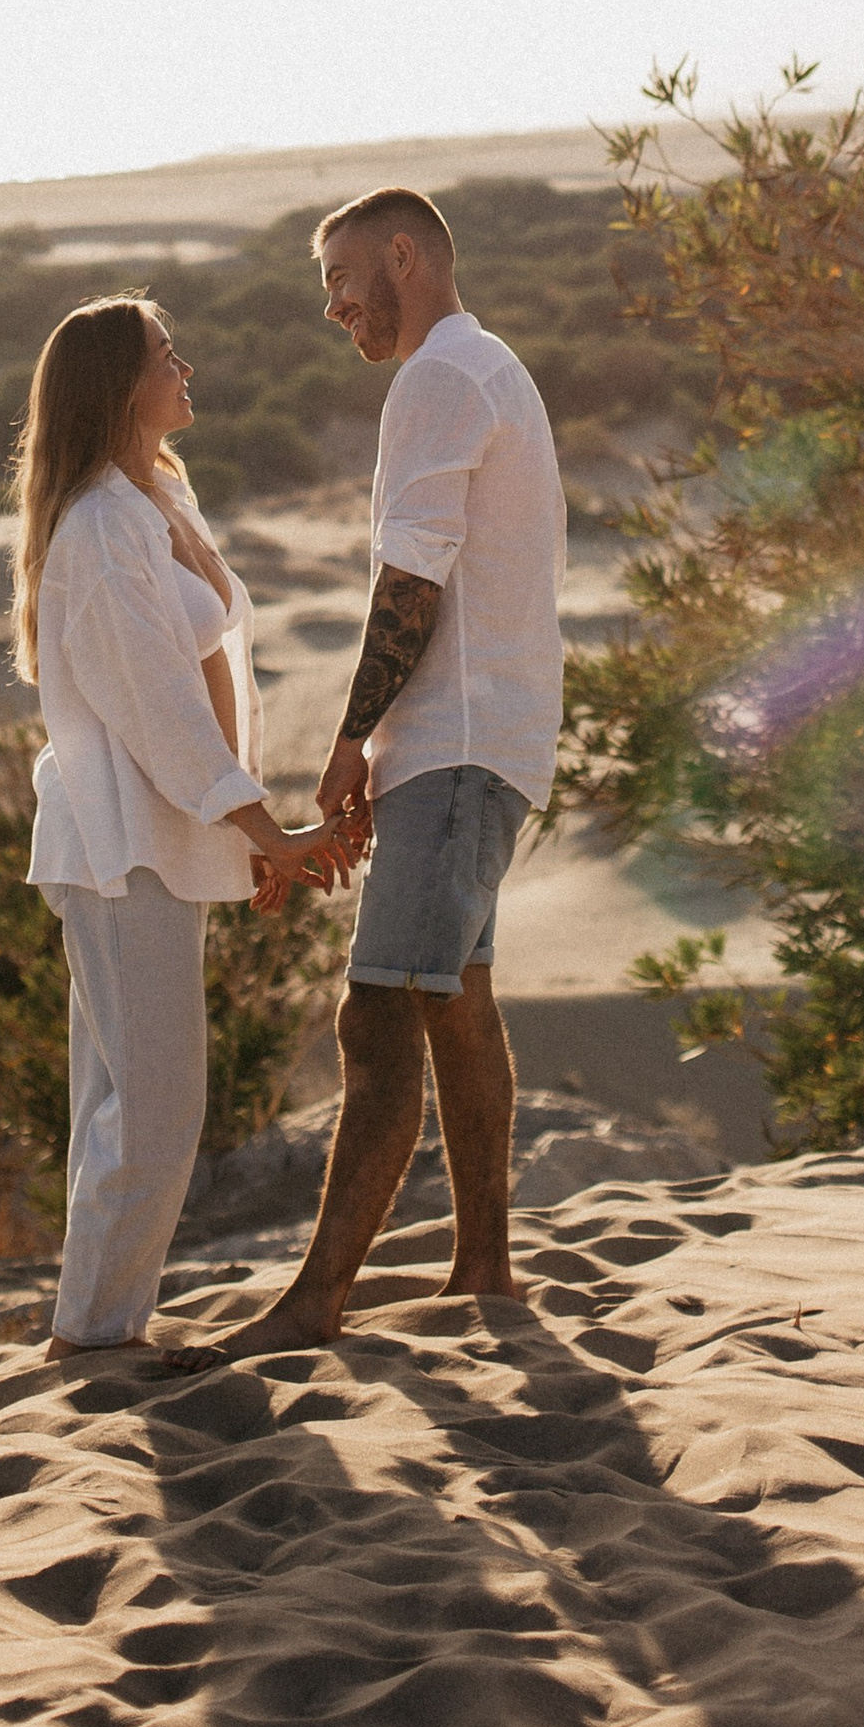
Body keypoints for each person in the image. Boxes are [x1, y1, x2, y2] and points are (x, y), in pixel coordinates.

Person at [200, 187, 565, 1358]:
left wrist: (353, 739)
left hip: (454, 743)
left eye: (343, 278)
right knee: (455, 1003)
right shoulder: (490, 366)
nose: (331, 307)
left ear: (403, 256)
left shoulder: (439, 380)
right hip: (487, 735)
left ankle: (315, 1301)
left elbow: (411, 585)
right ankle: (484, 1268)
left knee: (377, 1011)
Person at [15, 293, 348, 1356]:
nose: (187, 365)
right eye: (167, 355)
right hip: (120, 847)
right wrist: (262, 831)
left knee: (125, 1101)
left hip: (157, 843)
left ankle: (94, 1325)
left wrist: (242, 834)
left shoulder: (153, 496)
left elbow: (213, 678)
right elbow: (156, 705)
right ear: (120, 385)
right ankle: (95, 1339)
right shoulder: (105, 528)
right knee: (151, 1109)